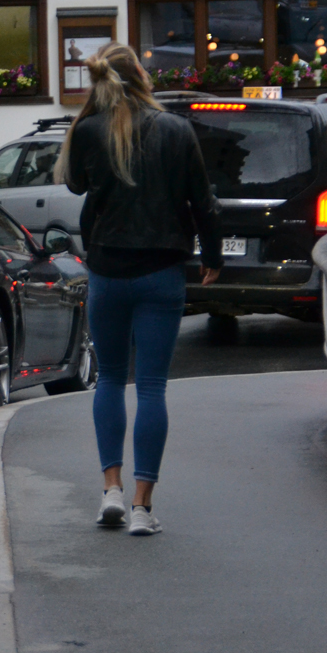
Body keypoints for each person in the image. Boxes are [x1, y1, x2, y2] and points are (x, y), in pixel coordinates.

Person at [55, 41, 223, 536]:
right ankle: (143, 508)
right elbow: (203, 203)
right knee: (151, 386)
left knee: (108, 378)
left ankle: (110, 490)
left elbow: (75, 186)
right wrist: (212, 257)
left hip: (107, 270)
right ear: (142, 79)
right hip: (161, 272)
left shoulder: (86, 130)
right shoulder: (176, 129)